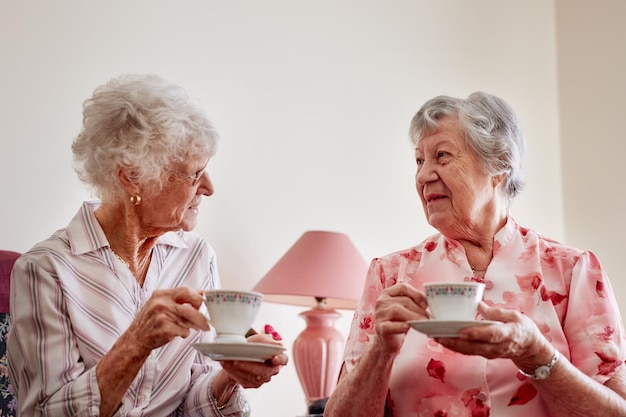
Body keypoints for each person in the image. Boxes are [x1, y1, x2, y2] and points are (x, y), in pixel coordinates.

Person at [325, 92, 626, 417]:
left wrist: (537, 354)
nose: (424, 175)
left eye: (441, 156)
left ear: (499, 165)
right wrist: (380, 352)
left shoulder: (571, 273)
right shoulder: (390, 275)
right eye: (419, 161)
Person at [7, 73, 288, 417]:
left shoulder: (196, 258)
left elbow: (193, 400)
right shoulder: (46, 271)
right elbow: (43, 412)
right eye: (194, 174)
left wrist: (230, 376)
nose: (209, 188)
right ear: (132, 177)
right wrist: (136, 343)